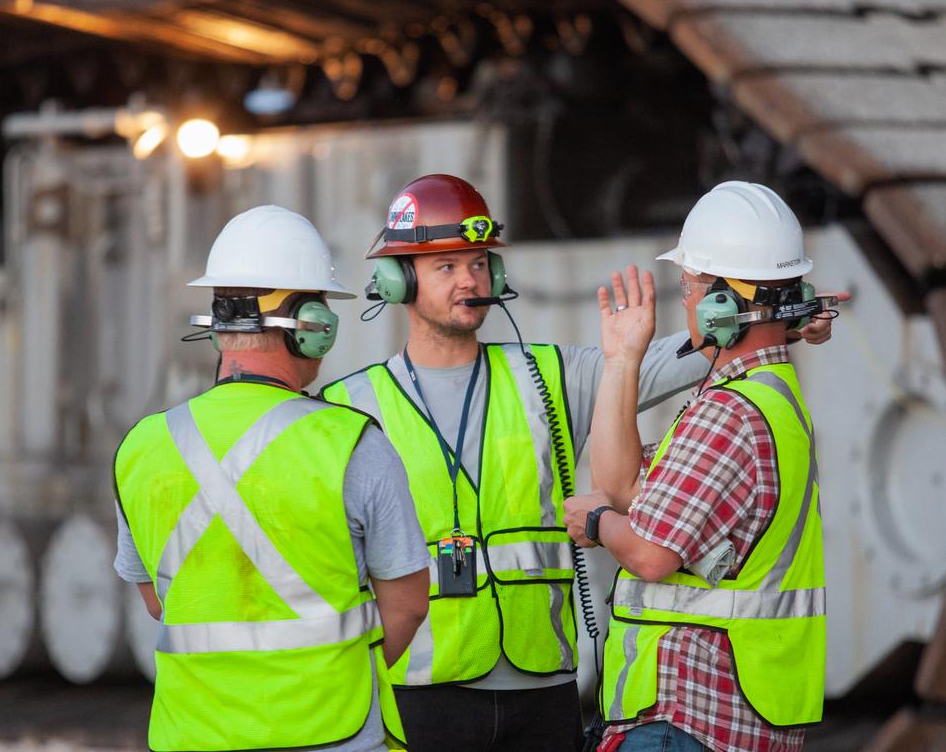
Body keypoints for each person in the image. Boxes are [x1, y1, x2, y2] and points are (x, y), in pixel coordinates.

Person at [321, 175, 836, 750]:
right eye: (445, 267)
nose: (470, 279)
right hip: (419, 686)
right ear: (397, 281)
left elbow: (661, 358)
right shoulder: (348, 407)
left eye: (478, 263)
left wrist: (774, 318)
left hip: (541, 688)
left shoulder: (548, 376)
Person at [113, 205, 430, 752]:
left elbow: (159, 601)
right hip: (331, 729)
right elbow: (408, 606)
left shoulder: (142, 446)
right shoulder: (352, 443)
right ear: (310, 327)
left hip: (191, 734)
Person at [565, 180, 829, 752]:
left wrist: (595, 525)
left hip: (688, 713)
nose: (683, 301)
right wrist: (623, 360)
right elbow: (623, 488)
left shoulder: (728, 414)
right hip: (738, 715)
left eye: (689, 288)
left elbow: (650, 552)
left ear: (721, 304)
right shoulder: (768, 396)